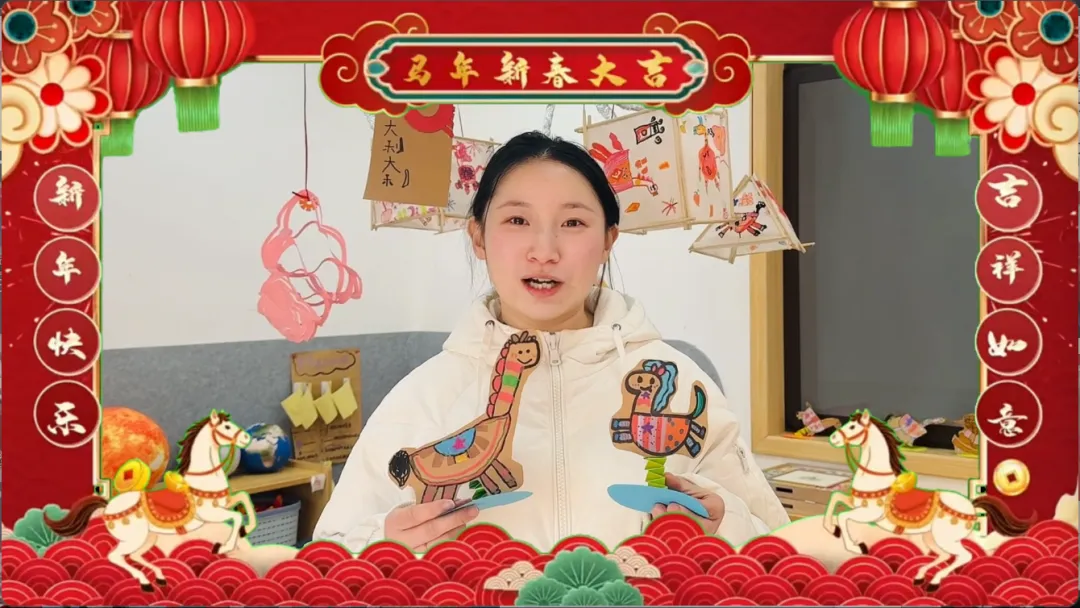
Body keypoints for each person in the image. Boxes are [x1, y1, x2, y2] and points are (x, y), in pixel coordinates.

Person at [314, 131, 789, 553]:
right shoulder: (424, 397)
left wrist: (724, 525)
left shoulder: (679, 383)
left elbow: (776, 549)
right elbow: (330, 556)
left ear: (609, 240)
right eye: (517, 221)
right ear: (478, 236)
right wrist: (383, 543)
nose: (544, 251)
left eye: (573, 223)